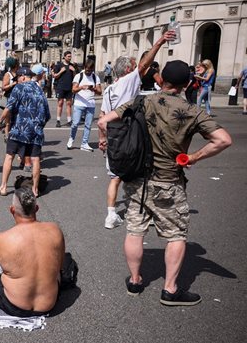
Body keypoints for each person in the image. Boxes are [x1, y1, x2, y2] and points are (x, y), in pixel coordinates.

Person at [98, 60, 232, 306]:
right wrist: (193, 157)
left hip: (137, 179)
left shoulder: (141, 101)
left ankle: (135, 280)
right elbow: (223, 140)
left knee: (135, 230)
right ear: (187, 84)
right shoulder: (192, 110)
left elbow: (103, 120)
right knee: (176, 234)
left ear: (162, 80)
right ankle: (170, 289)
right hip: (169, 180)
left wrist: (106, 140)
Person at [98, 31, 176, 230]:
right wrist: (159, 42)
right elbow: (144, 65)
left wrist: (102, 138)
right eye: (133, 69)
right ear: (127, 71)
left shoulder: (109, 89)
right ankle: (143, 213)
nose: (137, 72)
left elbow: (102, 117)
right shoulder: (128, 81)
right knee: (141, 173)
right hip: (130, 133)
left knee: (115, 177)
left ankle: (111, 215)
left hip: (113, 135)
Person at [0, 187, 64, 322]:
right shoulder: (55, 229)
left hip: (16, 305)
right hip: (48, 305)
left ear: (12, 210)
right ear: (37, 208)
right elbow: (59, 264)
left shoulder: (2, 239)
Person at [0, 66, 50, 197]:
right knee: (35, 159)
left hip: (19, 129)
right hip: (36, 131)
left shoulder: (19, 87)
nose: (17, 80)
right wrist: (38, 126)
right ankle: (35, 190)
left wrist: (1, 123)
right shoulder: (40, 90)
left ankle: (3, 187)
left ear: (23, 77)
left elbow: (8, 108)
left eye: (18, 78)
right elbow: (47, 114)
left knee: (9, 156)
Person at [66, 59, 102, 152]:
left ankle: (84, 143)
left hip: (90, 104)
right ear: (84, 68)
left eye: (90, 71)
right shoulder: (79, 76)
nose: (88, 72)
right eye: (87, 70)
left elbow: (99, 92)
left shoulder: (95, 77)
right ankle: (71, 139)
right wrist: (81, 87)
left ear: (93, 69)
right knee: (75, 123)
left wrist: (93, 89)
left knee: (88, 125)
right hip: (79, 103)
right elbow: (73, 90)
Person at [53, 51, 76, 127]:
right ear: (65, 57)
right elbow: (55, 76)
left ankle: (69, 121)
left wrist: (74, 71)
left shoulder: (72, 66)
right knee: (60, 103)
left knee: (69, 104)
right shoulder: (59, 65)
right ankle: (58, 120)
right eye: (68, 56)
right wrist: (61, 71)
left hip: (69, 87)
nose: (70, 58)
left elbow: (76, 77)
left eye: (70, 56)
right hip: (61, 87)